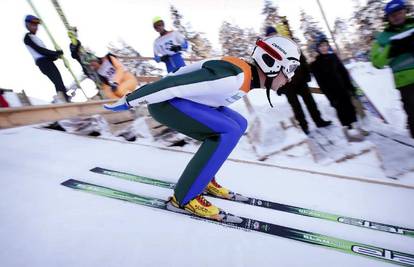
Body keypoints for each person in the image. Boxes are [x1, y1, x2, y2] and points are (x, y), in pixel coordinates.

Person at [104, 36, 301, 221]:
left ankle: (204, 178)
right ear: (272, 62)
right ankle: (184, 199)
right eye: (291, 68)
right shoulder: (233, 76)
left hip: (185, 103)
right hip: (166, 103)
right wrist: (130, 100)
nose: (290, 77)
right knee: (227, 131)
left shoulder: (245, 77)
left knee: (239, 124)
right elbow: (172, 84)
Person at [265, 26, 331, 134]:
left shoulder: (289, 44)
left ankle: (319, 121)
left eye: (274, 34)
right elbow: (269, 72)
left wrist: (307, 74)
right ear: (268, 38)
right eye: (270, 35)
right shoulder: (267, 53)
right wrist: (277, 88)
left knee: (311, 102)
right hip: (287, 85)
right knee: (296, 107)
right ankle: (304, 127)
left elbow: (302, 59)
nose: (273, 36)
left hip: (300, 80)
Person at [371, 0, 414, 138]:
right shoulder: (383, 38)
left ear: (404, 12)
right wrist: (391, 49)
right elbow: (376, 62)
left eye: (399, 12)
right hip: (405, 83)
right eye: (393, 15)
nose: (397, 16)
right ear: (388, 18)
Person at [310, 38, 364, 141]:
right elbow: (321, 83)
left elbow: (343, 73)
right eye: (321, 46)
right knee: (341, 112)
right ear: (317, 48)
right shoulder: (315, 64)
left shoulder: (333, 57)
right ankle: (349, 133)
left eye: (325, 45)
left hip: (343, 89)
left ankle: (356, 129)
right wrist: (330, 98)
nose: (324, 47)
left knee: (351, 109)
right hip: (333, 93)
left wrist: (350, 88)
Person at [23, 15, 70, 102]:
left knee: (59, 80)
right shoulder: (27, 37)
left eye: (36, 25)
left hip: (46, 61)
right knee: (57, 81)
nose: (36, 27)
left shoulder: (36, 37)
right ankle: (64, 100)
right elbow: (39, 50)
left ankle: (65, 99)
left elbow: (45, 52)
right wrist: (55, 53)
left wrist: (55, 56)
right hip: (43, 62)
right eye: (33, 24)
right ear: (27, 25)